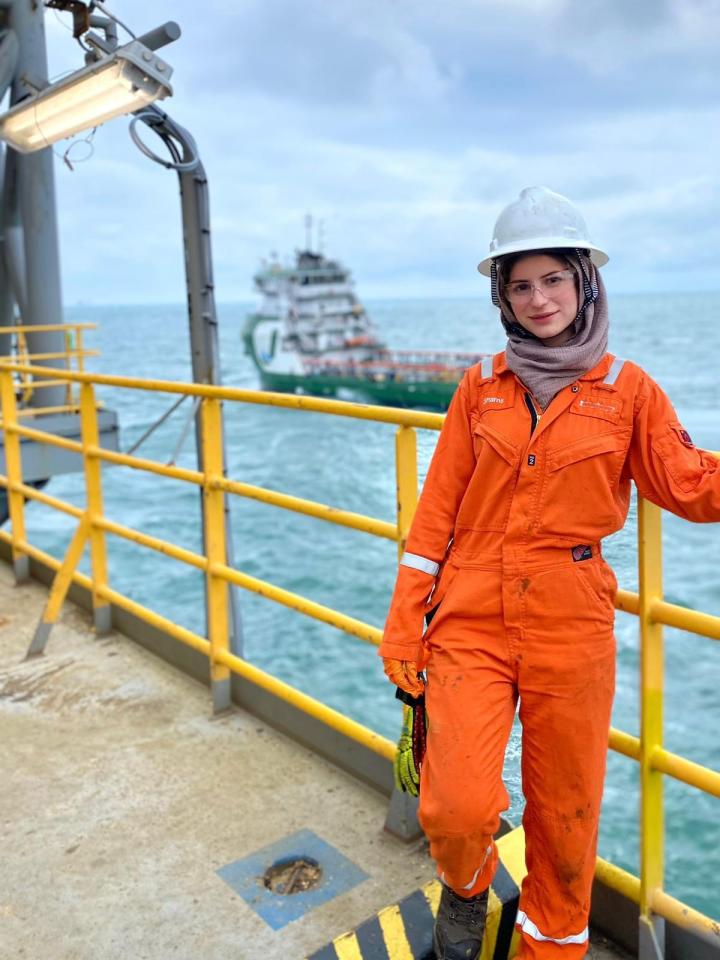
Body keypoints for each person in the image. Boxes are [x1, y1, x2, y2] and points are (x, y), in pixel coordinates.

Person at [378, 186, 720, 959]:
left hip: (573, 621)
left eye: (553, 280)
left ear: (584, 283)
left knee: (566, 816)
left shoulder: (629, 392)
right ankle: (467, 888)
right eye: (521, 285)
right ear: (501, 294)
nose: (539, 300)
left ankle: (550, 947)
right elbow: (435, 515)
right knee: (456, 806)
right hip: (470, 614)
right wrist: (405, 620)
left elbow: (690, 483)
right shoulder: (480, 387)